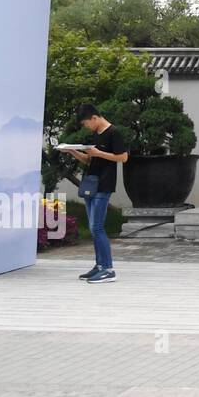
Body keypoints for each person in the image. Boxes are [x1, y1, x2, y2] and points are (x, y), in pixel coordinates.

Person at [62, 103, 130, 283]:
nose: (86, 127)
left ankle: (108, 269)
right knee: (93, 228)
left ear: (94, 118)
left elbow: (123, 157)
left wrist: (99, 153)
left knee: (97, 227)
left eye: (86, 123)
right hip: (91, 184)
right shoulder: (95, 134)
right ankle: (99, 265)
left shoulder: (113, 132)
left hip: (104, 185)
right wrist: (72, 151)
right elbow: (88, 160)